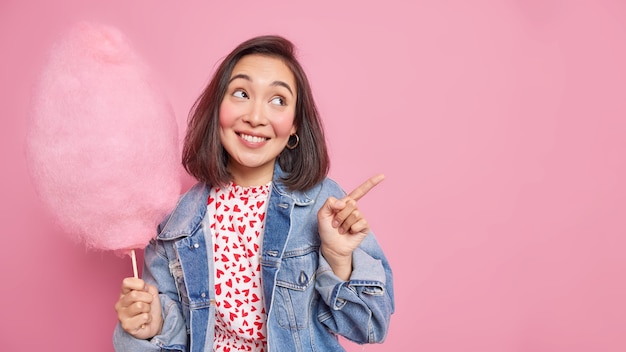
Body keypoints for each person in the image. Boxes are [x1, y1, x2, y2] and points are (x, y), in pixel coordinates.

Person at [113, 35, 394, 352]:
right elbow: (172, 339)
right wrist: (151, 327)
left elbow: (370, 326)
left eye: (278, 101)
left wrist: (339, 259)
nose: (256, 117)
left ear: (295, 127)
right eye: (242, 93)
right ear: (217, 108)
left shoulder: (322, 204)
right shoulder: (175, 221)